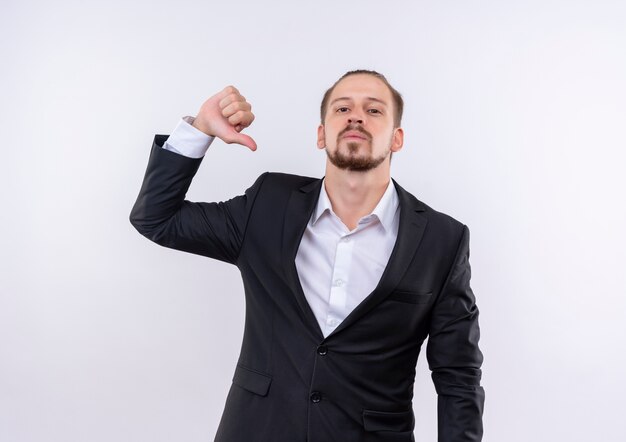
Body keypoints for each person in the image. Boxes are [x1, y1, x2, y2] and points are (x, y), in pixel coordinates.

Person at [130, 70, 485, 442]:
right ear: (321, 134)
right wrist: (201, 128)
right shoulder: (269, 204)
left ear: (397, 139)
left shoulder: (442, 239)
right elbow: (156, 218)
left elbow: (458, 374)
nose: (356, 116)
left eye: (374, 110)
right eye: (342, 107)